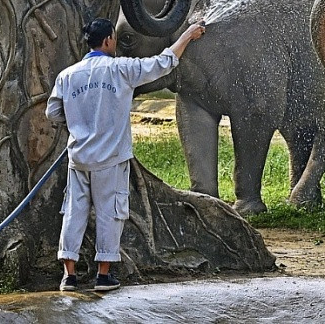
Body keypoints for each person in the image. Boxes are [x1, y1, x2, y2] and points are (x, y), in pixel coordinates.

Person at [46, 18, 206, 292]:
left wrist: (78, 124)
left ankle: (68, 276)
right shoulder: (121, 69)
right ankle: (103, 275)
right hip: (111, 159)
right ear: (108, 40)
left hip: (79, 158)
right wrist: (188, 36)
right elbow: (164, 62)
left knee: (73, 213)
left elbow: (53, 113)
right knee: (111, 212)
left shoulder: (68, 75)